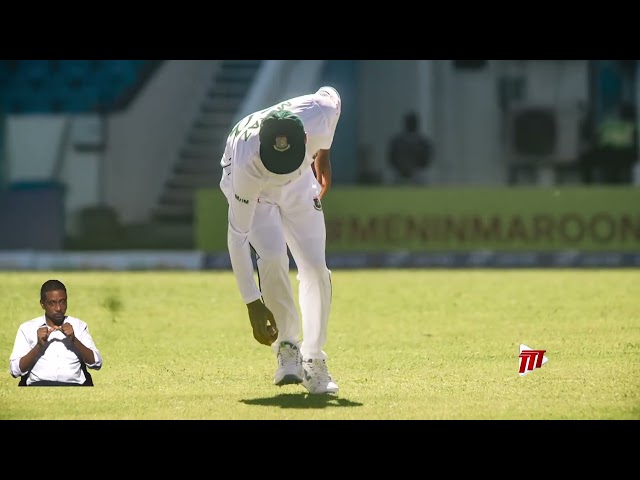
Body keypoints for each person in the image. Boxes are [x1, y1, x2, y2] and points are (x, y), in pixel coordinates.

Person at [219, 86, 341, 395]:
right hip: (257, 190)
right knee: (272, 256)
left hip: (301, 184)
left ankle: (314, 359)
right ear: (262, 147)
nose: (280, 171)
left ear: (304, 139)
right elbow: (237, 239)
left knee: (315, 267)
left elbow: (333, 97)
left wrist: (324, 150)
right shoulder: (246, 166)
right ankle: (288, 349)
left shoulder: (320, 112)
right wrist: (252, 302)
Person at [9, 279, 103, 386]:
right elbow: (15, 371)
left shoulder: (78, 326)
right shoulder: (27, 328)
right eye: (52, 303)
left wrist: (74, 340)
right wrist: (38, 346)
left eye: (62, 302)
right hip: (38, 388)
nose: (58, 308)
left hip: (74, 388)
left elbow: (97, 363)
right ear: (42, 304)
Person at [387, 111, 433, 184]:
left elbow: (391, 158)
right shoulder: (423, 141)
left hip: (410, 174)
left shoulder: (396, 140)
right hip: (407, 174)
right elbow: (427, 159)